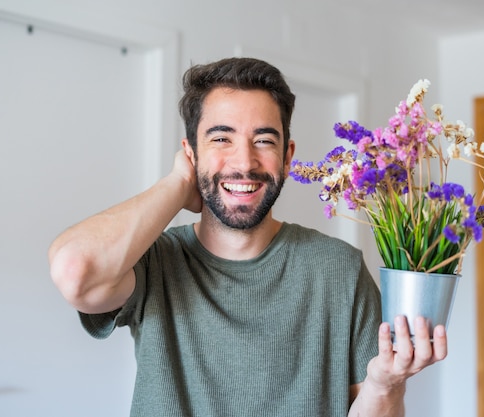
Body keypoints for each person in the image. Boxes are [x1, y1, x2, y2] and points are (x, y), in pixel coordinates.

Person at [49, 57, 447, 417]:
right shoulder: (154, 263)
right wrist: (175, 185)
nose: (244, 162)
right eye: (221, 139)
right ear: (191, 154)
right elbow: (75, 271)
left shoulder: (338, 269)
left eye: (263, 140)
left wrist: (385, 385)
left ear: (288, 157)